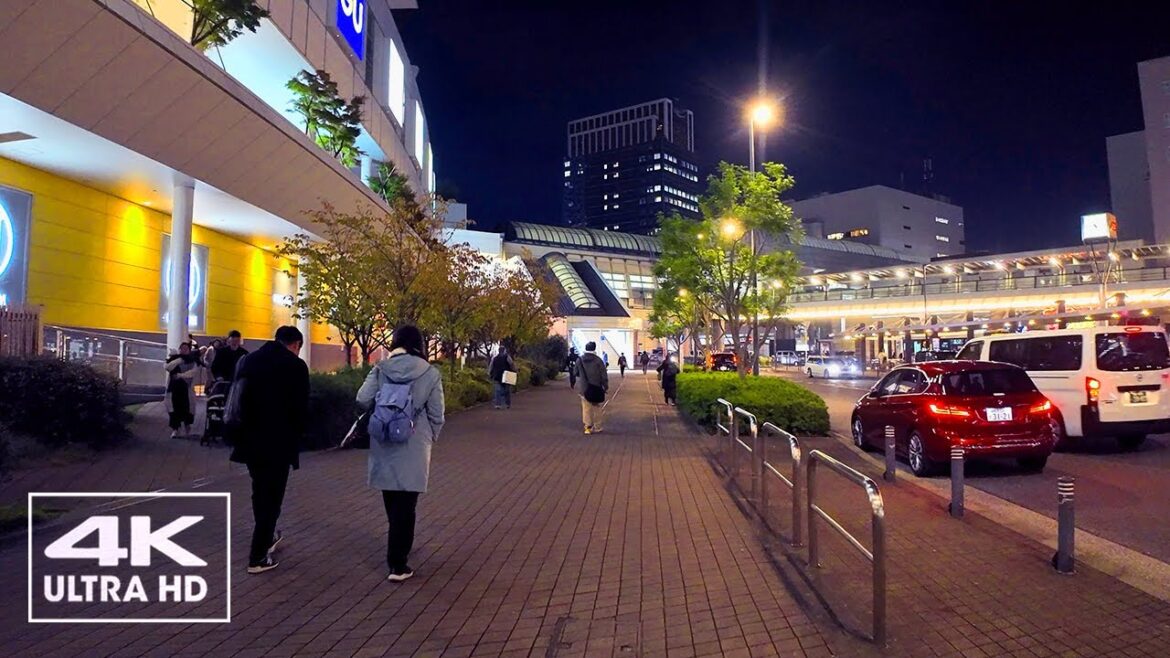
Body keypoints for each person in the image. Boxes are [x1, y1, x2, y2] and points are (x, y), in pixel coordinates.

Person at [357, 325, 445, 583]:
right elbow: (437, 413)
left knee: (392, 498)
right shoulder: (429, 372)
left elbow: (362, 398)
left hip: (384, 439)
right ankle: (398, 564)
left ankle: (398, 546)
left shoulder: (381, 368)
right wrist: (430, 436)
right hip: (414, 443)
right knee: (407, 504)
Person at [229, 326, 310, 575]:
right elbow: (301, 408)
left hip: (249, 440)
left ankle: (268, 536)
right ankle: (258, 556)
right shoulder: (295, 366)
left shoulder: (249, 360)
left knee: (260, 491)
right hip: (278, 442)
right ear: (295, 344)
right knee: (272, 497)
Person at [164, 342, 201, 438]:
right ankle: (175, 429)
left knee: (187, 408)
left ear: (189, 350)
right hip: (174, 388)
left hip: (186, 388)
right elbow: (168, 367)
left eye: (186, 348)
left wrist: (180, 375)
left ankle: (187, 426)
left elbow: (193, 372)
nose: (184, 350)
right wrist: (179, 360)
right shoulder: (174, 359)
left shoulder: (193, 360)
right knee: (173, 409)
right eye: (182, 348)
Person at [573, 341, 609, 435]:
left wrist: (583, 377)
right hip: (596, 387)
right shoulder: (598, 360)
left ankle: (588, 427)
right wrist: (605, 386)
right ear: (594, 348)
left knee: (586, 408)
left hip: (584, 388)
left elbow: (575, 372)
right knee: (597, 408)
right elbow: (603, 375)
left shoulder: (580, 360)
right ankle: (598, 426)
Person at [488, 345, 515, 409]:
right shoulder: (507, 357)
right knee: (507, 390)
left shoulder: (495, 358)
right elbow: (511, 364)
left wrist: (489, 373)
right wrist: (514, 371)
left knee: (498, 390)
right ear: (504, 350)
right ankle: (507, 404)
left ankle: (498, 404)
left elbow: (491, 366)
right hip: (507, 375)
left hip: (497, 375)